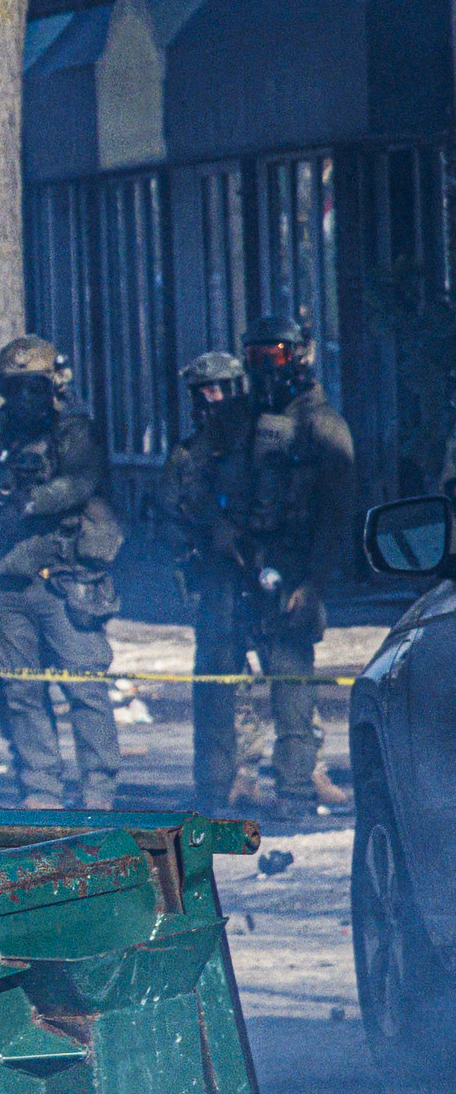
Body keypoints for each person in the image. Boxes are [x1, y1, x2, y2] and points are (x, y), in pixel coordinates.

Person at [0, 336, 122, 809]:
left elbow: (81, 481)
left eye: (34, 389)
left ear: (53, 387)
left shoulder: (75, 430)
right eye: (14, 388)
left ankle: (98, 793)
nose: (23, 400)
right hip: (9, 582)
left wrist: (33, 500)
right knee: (20, 692)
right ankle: (41, 792)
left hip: (64, 580)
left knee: (85, 690)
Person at [232, 315, 361, 814]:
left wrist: (313, 583)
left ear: (300, 356)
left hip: (294, 572)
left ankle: (297, 790)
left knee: (291, 687)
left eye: (277, 357)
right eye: (257, 358)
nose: (267, 369)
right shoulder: (244, 421)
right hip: (244, 566)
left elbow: (336, 515)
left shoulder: (322, 424)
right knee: (231, 678)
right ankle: (239, 778)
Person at [169, 349, 261, 808]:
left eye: (223, 388)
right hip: (214, 577)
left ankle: (304, 772)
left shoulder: (261, 443)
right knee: (221, 679)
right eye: (206, 391)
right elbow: (173, 511)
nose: (215, 399)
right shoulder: (188, 454)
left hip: (261, 568)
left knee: (286, 670)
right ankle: (224, 777)